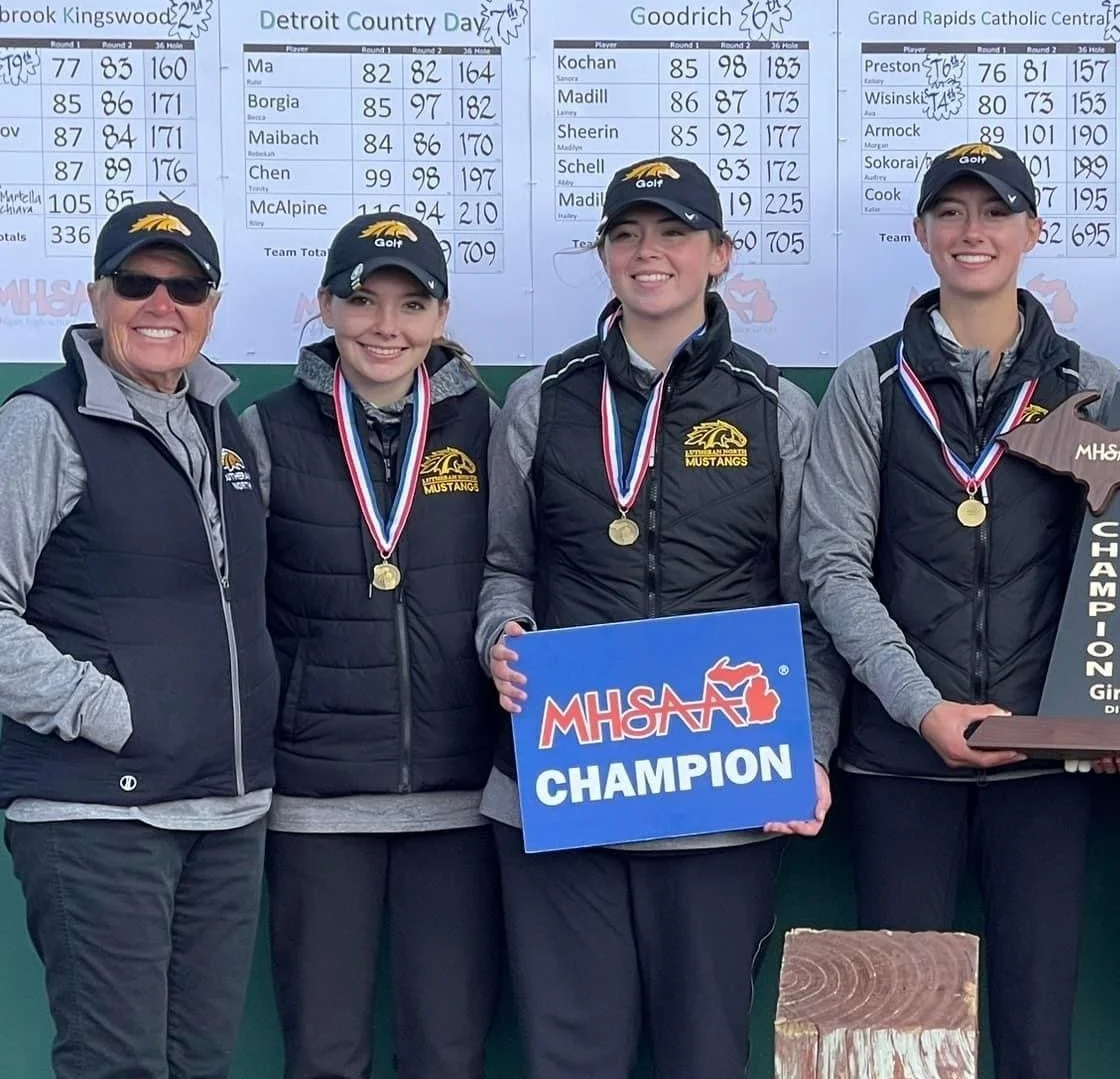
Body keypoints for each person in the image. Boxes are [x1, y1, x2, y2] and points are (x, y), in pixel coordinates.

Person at [477, 156, 841, 1077]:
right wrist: (501, 637)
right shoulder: (541, 399)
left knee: (705, 1053)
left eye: (674, 233)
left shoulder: (778, 411)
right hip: (563, 789)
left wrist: (814, 746)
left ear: (719, 254)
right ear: (603, 255)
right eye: (627, 234)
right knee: (573, 1055)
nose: (650, 254)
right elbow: (505, 567)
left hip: (723, 791)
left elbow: (813, 604)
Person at [799, 142, 1120, 1079]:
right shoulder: (869, 383)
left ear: (1034, 231)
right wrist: (922, 707)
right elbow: (832, 568)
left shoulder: (1088, 384)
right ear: (921, 232)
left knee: (1036, 1036)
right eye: (950, 212)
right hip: (902, 760)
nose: (971, 231)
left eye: (994, 212)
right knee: (899, 1039)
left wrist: (1109, 712)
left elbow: (1119, 572)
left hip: (1046, 762)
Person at [0, 201, 279, 1077]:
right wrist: (106, 709)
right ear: (95, 294)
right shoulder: (44, 423)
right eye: (137, 282)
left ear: (212, 301)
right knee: (116, 1063)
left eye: (185, 285)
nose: (162, 303)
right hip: (97, 807)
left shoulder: (226, 426)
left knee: (198, 1062)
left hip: (227, 808)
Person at [238, 211, 501, 1079]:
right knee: (323, 1053)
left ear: (442, 316)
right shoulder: (261, 432)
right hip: (316, 796)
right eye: (362, 300)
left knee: (449, 1053)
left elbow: (522, 575)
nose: (386, 326)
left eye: (411, 304)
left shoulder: (489, 427)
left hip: (462, 793)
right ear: (324, 306)